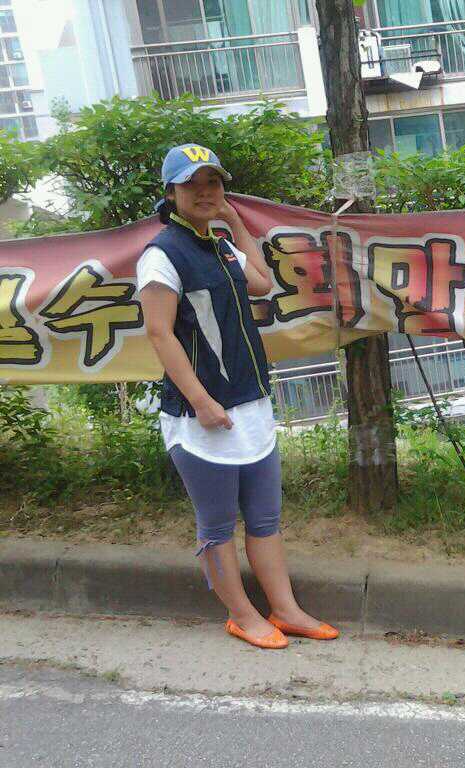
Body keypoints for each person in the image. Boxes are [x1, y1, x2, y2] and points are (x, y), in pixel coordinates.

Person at [137, 143, 339, 649]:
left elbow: (262, 283)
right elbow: (159, 333)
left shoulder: (221, 245)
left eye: (213, 182)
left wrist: (234, 222)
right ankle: (243, 616)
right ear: (171, 192)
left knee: (266, 518)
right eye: (192, 184)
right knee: (217, 526)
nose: (205, 192)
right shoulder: (162, 255)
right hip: (201, 416)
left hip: (251, 404)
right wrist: (202, 401)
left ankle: (285, 610)